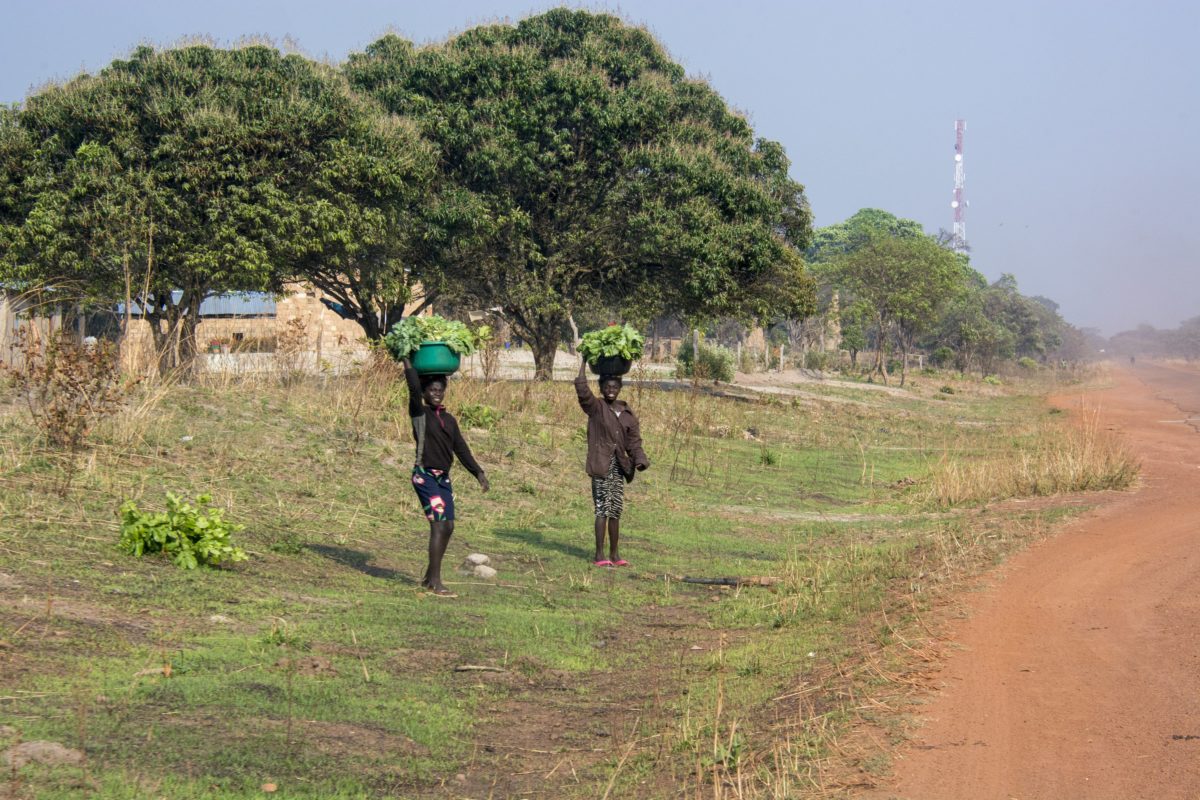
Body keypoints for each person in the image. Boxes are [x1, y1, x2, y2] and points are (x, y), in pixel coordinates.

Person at [402, 357, 489, 596]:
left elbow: (461, 449)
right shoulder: (420, 415)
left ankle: (429, 576)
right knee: (438, 526)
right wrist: (407, 361)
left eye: (440, 390)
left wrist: (478, 472)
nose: (436, 394)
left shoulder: (449, 420)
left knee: (448, 526)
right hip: (425, 476)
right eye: (431, 390)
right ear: (425, 392)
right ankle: (435, 582)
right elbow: (412, 388)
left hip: (443, 479)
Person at [575, 357, 650, 567]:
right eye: (606, 387)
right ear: (600, 388)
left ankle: (615, 555)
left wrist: (640, 460)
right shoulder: (596, 407)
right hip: (601, 465)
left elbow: (634, 442)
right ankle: (599, 555)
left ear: (619, 388)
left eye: (614, 387)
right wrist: (583, 362)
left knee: (615, 510)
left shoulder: (627, 414)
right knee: (602, 508)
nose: (610, 390)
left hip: (619, 468)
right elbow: (582, 391)